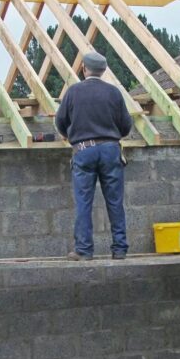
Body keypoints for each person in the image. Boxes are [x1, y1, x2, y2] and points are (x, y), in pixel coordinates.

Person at [55, 52, 132, 261]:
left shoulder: (73, 92)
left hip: (84, 150)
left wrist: (72, 134)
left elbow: (60, 122)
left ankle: (84, 250)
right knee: (115, 202)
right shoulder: (114, 93)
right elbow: (126, 126)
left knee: (84, 202)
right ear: (104, 70)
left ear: (83, 69)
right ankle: (119, 249)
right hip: (110, 149)